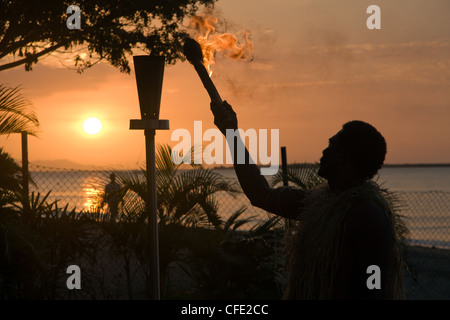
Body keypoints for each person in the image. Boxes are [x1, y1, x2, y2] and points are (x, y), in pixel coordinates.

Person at [210, 100, 406, 299]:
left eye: (331, 145)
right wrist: (231, 133)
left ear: (345, 156)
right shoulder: (317, 203)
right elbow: (261, 194)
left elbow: (374, 286)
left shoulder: (366, 214)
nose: (324, 151)